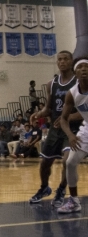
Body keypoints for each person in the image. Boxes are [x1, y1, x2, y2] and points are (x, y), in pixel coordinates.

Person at [29, 51, 82, 206]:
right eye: (59, 59)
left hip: (73, 129)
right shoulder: (51, 84)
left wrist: (69, 117)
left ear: (71, 62)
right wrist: (38, 114)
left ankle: (61, 190)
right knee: (45, 162)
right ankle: (44, 188)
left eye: (66, 59)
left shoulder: (79, 82)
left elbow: (85, 109)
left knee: (67, 161)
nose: (62, 62)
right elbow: (48, 108)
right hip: (55, 128)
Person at [58, 57, 88, 213]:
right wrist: (70, 135)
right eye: (80, 67)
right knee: (70, 163)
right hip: (87, 130)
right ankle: (74, 202)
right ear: (75, 73)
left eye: (86, 66)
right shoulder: (72, 93)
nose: (84, 69)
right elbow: (64, 118)